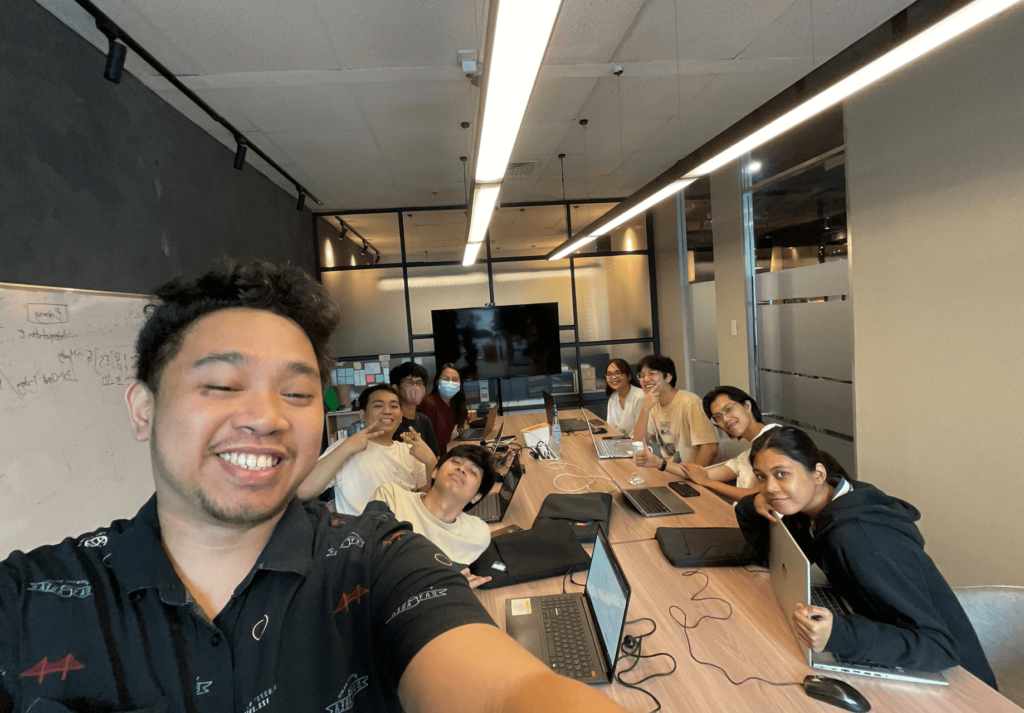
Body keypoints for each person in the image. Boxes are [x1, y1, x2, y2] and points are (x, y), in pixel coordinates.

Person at [0, 259, 630, 713]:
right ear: (143, 409)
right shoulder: (32, 602)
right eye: (221, 385)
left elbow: (503, 691)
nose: (268, 416)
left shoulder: (381, 563)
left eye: (297, 393)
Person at [735, 426, 997, 688]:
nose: (770, 487)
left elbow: (939, 647)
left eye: (782, 474)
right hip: (892, 641)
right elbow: (770, 558)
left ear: (817, 474)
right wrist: (752, 504)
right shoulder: (820, 507)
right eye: (761, 476)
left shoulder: (860, 538)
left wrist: (840, 634)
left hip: (960, 683)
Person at [297, 383, 436, 515]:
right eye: (378, 406)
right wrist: (346, 447)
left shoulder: (410, 451)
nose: (387, 411)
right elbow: (303, 491)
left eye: (394, 406)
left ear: (400, 417)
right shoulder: (345, 447)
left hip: (402, 534)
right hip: (358, 535)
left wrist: (430, 463)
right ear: (362, 415)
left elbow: (423, 503)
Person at [371, 445, 494, 587]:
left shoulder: (478, 535)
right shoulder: (391, 497)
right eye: (456, 462)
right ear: (435, 471)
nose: (461, 469)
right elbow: (373, 569)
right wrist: (450, 587)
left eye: (473, 472)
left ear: (477, 496)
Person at [650, 385, 778, 502]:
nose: (725, 420)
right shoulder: (746, 455)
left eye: (728, 409)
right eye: (718, 417)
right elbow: (699, 473)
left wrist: (707, 482)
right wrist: (658, 462)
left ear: (747, 406)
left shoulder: (774, 441)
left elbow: (757, 495)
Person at [632, 354, 718, 468]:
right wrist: (644, 409)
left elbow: (710, 448)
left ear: (668, 377)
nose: (646, 379)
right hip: (671, 471)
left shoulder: (690, 402)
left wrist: (692, 477)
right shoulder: (651, 405)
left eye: (652, 373)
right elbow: (638, 442)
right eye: (642, 375)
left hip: (698, 474)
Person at [390, 361, 440, 457]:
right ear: (395, 388)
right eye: (409, 382)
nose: (415, 387)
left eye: (419, 383)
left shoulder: (424, 421)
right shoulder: (390, 421)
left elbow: (435, 456)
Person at [419, 363, 469, 452]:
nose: (450, 383)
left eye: (455, 380)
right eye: (445, 379)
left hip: (449, 449)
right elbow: (427, 440)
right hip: (436, 456)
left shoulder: (454, 402)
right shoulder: (428, 404)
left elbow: (463, 419)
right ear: (437, 381)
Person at [604, 358, 644, 435]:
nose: (613, 377)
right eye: (609, 374)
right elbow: (610, 426)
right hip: (619, 441)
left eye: (618, 373)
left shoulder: (639, 397)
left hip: (638, 444)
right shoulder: (613, 397)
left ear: (629, 376)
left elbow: (641, 431)